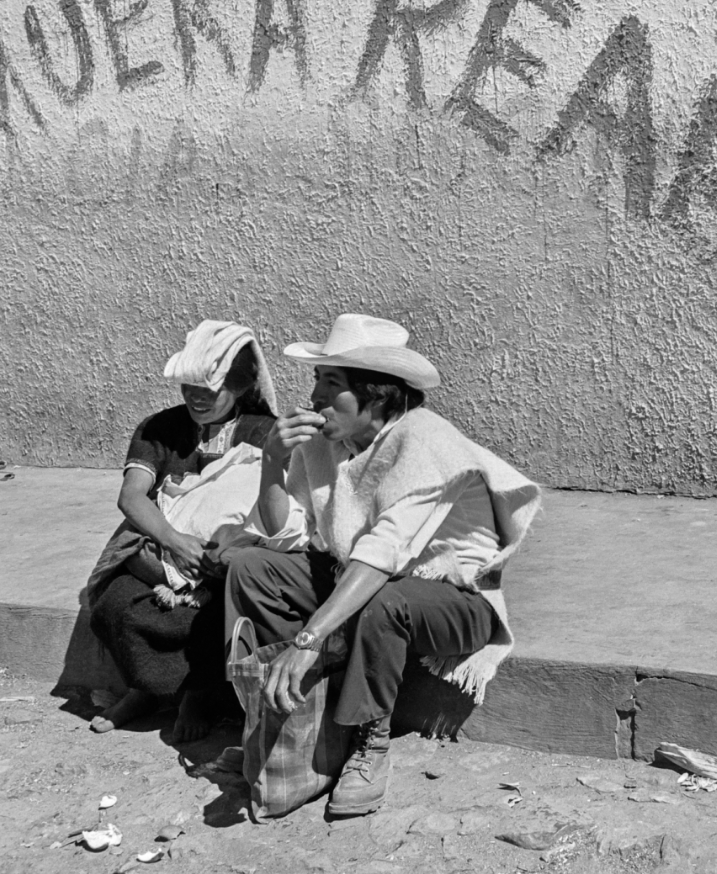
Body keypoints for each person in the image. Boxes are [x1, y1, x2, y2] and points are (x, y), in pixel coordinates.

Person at [224, 313, 540, 818]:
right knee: (252, 567)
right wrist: (271, 464)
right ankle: (294, 717)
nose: (316, 398)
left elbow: (381, 556)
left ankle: (370, 742)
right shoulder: (325, 444)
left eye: (332, 384)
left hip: (453, 597)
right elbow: (283, 530)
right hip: (370, 577)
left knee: (385, 601)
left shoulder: (425, 443)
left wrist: (308, 641)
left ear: (375, 396)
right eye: (316, 381)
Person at [84, 320, 280, 739]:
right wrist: (173, 540)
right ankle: (144, 690)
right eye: (189, 388)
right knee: (117, 601)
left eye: (210, 390)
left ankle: (194, 695)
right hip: (160, 544)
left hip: (224, 553)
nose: (196, 399)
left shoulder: (266, 432)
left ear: (242, 385)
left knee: (214, 614)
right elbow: (132, 498)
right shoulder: (159, 428)